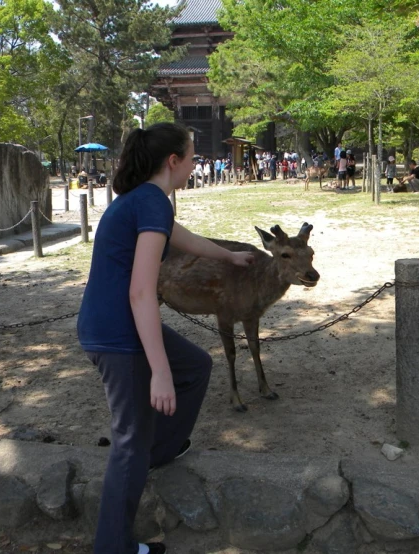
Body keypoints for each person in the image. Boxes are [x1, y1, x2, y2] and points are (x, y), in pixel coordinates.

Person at [78, 123, 255, 554]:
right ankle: (114, 547)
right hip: (118, 333)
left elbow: (184, 239)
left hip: (114, 325)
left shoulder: (145, 200)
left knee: (196, 366)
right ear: (173, 162)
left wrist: (230, 254)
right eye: (192, 157)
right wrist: (158, 371)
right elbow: (141, 291)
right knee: (129, 441)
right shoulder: (151, 203)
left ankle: (159, 451)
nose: (195, 165)